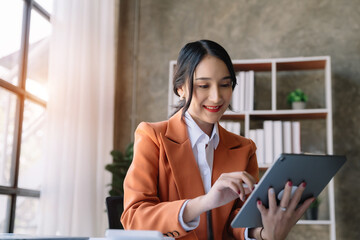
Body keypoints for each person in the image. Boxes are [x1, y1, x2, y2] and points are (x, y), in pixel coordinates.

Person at [121, 40, 314, 240]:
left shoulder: (244, 148)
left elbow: (239, 219)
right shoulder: (153, 137)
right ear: (180, 88)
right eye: (203, 85)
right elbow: (134, 219)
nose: (216, 97)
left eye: (225, 84)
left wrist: (264, 234)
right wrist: (205, 202)